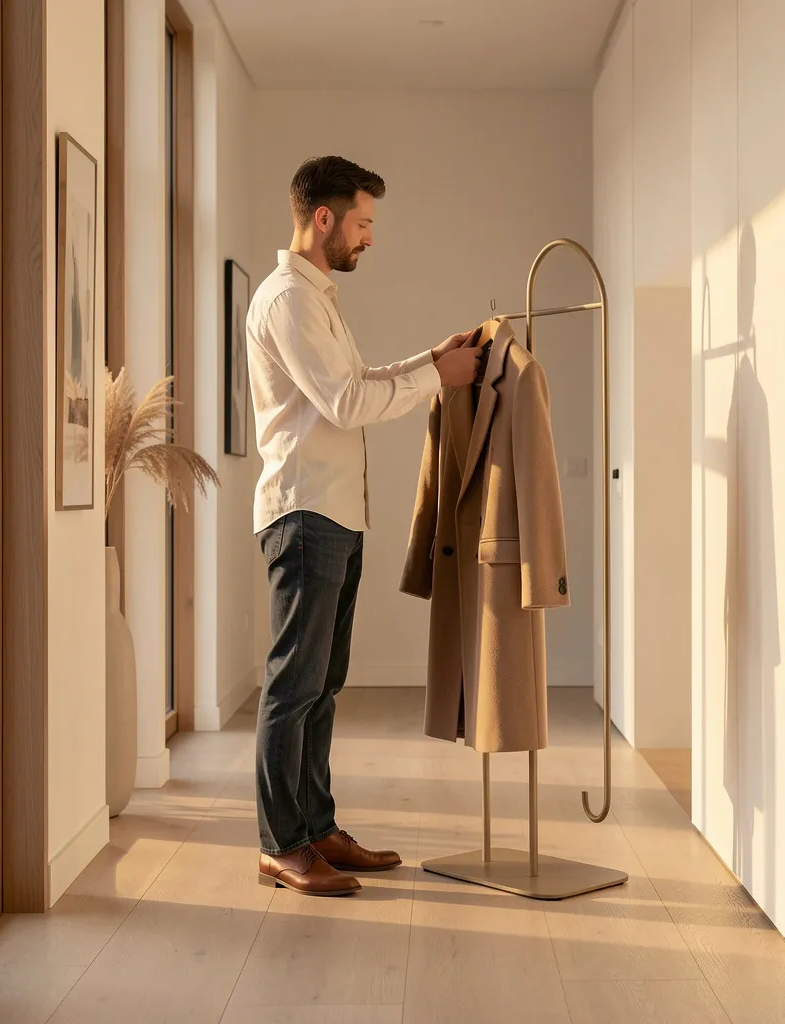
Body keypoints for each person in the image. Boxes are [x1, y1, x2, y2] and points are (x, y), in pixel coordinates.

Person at [247, 155, 481, 896]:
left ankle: (316, 829)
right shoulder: (287, 299)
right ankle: (281, 845)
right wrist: (432, 382)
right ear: (324, 219)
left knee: (322, 683)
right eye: (364, 221)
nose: (369, 238)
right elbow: (347, 407)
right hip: (305, 511)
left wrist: (427, 362)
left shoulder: (316, 297)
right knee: (294, 684)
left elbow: (349, 386)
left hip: (335, 513)